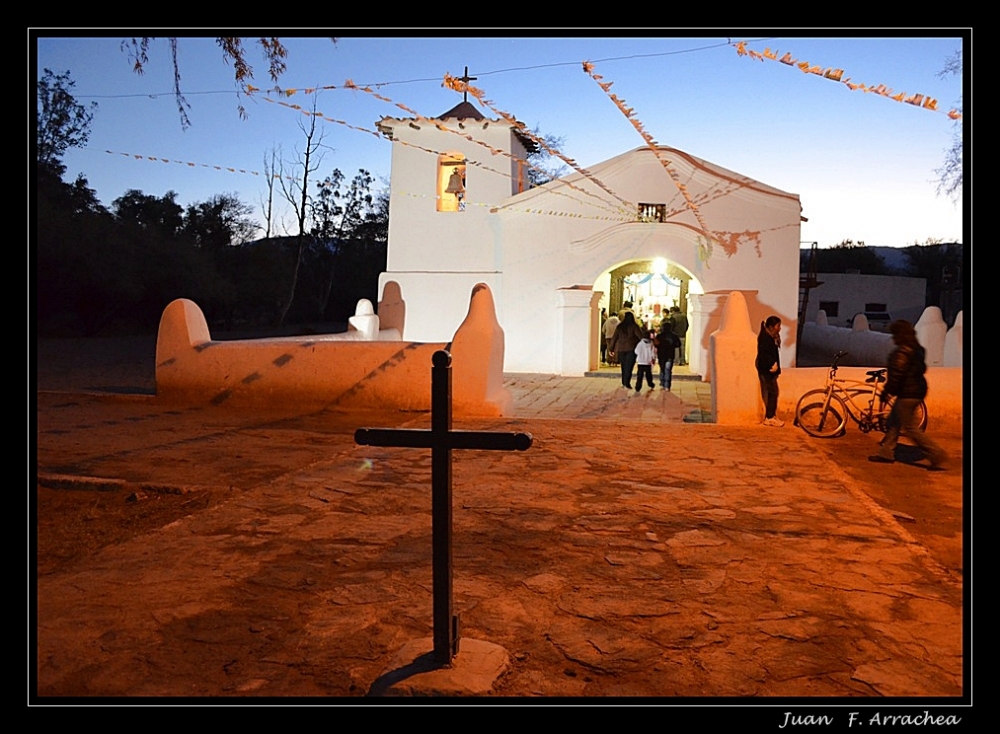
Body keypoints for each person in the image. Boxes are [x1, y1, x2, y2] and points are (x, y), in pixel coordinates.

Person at [869, 320, 947, 469]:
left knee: (910, 427)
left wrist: (886, 392)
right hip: (916, 390)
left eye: (894, 335)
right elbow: (920, 370)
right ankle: (886, 453)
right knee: (893, 421)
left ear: (900, 335)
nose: (893, 338)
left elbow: (897, 376)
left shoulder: (902, 353)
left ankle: (936, 453)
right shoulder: (917, 349)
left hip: (908, 393)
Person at [755, 316, 783, 427]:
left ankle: (771, 415)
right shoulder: (765, 338)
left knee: (773, 392)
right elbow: (764, 354)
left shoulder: (770, 336)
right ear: (771, 327)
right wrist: (772, 365)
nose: (779, 328)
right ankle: (769, 417)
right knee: (773, 392)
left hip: (769, 369)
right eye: (778, 326)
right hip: (767, 370)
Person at [609, 311, 644, 389]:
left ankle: (624, 382)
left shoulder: (620, 326)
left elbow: (614, 338)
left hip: (621, 349)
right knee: (629, 366)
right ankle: (627, 382)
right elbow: (640, 336)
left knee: (623, 366)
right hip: (631, 348)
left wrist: (611, 349)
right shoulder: (634, 326)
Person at [655, 321, 680, 390]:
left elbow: (656, 344)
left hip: (661, 354)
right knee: (668, 370)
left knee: (662, 368)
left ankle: (662, 382)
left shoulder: (660, 335)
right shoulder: (674, 336)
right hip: (670, 355)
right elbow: (678, 344)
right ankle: (667, 385)